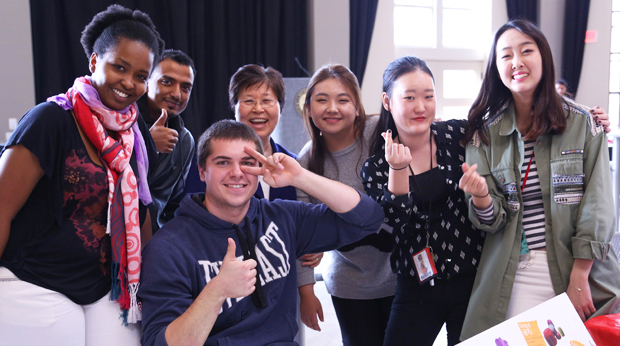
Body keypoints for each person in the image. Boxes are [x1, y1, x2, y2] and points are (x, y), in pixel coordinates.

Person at [138, 119, 385, 346]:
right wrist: (217, 291)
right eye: (223, 162)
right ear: (202, 172)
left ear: (260, 169)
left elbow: (368, 218)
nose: (237, 172)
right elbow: (161, 343)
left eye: (247, 162)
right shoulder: (168, 247)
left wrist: (300, 177)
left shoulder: (283, 218)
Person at [0, 4, 163, 345]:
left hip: (105, 287)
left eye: (140, 76)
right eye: (120, 67)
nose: (129, 83)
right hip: (33, 279)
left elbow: (142, 211)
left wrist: (153, 284)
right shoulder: (50, 119)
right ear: (93, 62)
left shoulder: (136, 133)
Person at [459, 19, 620, 340]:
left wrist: (579, 275)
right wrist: (480, 197)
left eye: (526, 51)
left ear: (544, 58)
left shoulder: (584, 123)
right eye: (505, 56)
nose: (516, 62)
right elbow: (491, 221)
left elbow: (599, 205)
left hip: (580, 267)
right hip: (515, 272)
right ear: (496, 68)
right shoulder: (483, 136)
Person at [361, 56, 486, 346]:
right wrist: (397, 170)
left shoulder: (457, 135)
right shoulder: (377, 167)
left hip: (472, 279)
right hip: (416, 285)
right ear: (388, 101)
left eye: (428, 96)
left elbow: (508, 123)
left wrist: (581, 119)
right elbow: (393, 228)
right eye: (410, 97)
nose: (421, 107)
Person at [297, 64, 396, 344]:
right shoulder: (305, 163)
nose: (332, 108)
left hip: (399, 274)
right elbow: (303, 236)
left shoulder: (378, 133)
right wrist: (306, 292)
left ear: (357, 106)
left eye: (342, 99)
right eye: (321, 99)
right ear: (308, 108)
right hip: (349, 284)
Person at [228, 63, 325, 332]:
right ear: (235, 107)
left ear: (280, 108)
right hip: (228, 289)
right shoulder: (214, 160)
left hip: (282, 292)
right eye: (248, 100)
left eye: (267, 101)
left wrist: (313, 245)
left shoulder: (293, 166)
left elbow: (303, 228)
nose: (258, 109)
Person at [139, 49, 196, 231]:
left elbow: (173, 205)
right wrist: (148, 145)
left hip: (153, 243)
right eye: (167, 82)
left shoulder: (185, 140)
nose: (177, 94)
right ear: (147, 82)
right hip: (105, 237)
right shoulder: (118, 120)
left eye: (185, 87)